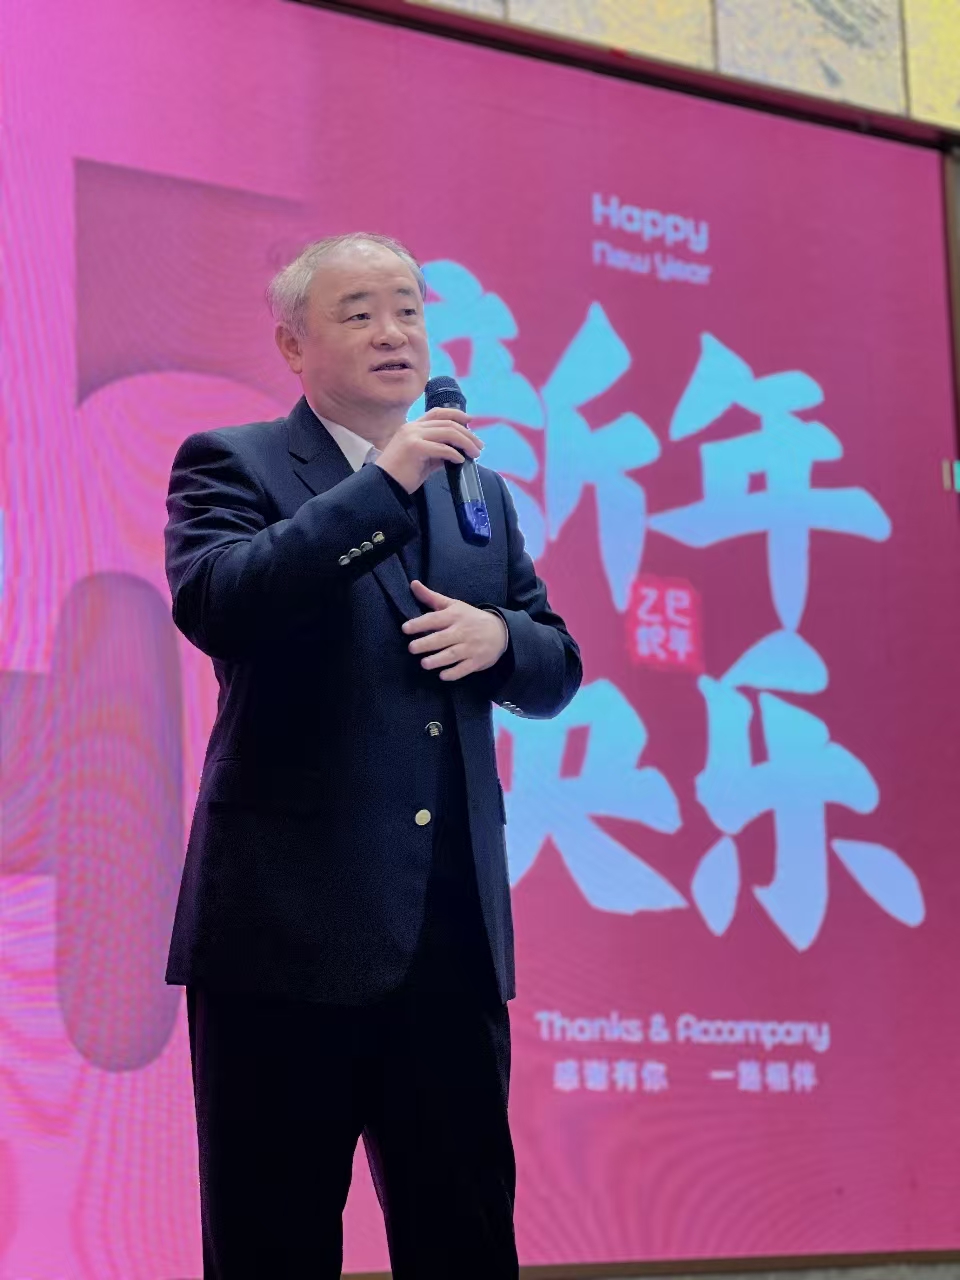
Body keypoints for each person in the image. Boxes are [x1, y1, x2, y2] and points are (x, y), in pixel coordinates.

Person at [164, 231, 582, 1278]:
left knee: (466, 1239)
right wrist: (384, 482)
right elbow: (221, 602)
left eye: (407, 309)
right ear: (293, 346)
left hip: (448, 938)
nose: (394, 332)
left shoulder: (476, 492)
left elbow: (556, 662)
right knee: (272, 1244)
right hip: (282, 937)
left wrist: (501, 640)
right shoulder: (233, 461)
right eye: (359, 313)